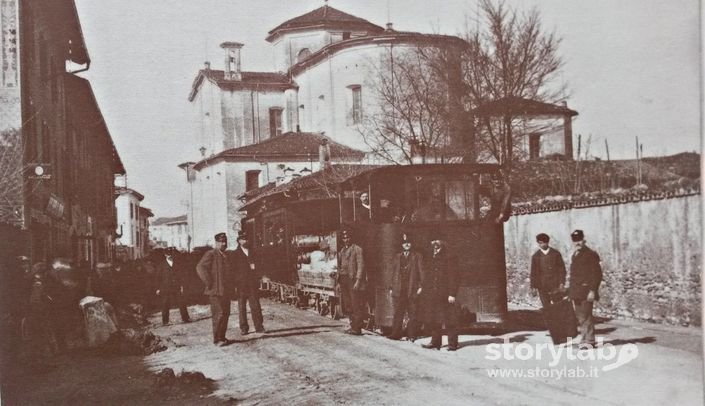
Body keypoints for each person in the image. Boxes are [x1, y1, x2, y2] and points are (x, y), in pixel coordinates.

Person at [420, 234, 459, 351]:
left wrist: (452, 293)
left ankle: (452, 344)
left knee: (450, 319)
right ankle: (435, 342)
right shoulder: (430, 255)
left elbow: (454, 276)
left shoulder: (450, 256)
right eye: (433, 240)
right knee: (433, 318)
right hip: (432, 293)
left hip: (445, 294)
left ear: (442, 241)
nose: (435, 242)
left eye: (437, 240)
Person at [196, 232, 235, 346]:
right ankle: (217, 339)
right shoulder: (211, 254)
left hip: (226, 290)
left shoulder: (226, 255)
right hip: (215, 291)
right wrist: (209, 282)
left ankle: (222, 337)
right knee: (219, 314)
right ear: (216, 243)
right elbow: (200, 267)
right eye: (221, 242)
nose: (223, 244)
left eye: (225, 242)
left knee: (226, 313)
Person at [568, 229, 603, 348]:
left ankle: (590, 341)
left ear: (584, 240)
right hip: (576, 291)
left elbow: (596, 274)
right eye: (575, 240)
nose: (577, 242)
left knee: (586, 315)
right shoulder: (575, 254)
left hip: (586, 290)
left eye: (579, 240)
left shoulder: (590, 254)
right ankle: (584, 339)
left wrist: (593, 290)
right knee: (580, 316)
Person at [388, 233, 423, 341]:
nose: (406, 245)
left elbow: (421, 272)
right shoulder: (397, 257)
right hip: (400, 289)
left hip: (412, 289)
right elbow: (393, 273)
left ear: (411, 244)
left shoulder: (417, 256)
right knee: (398, 312)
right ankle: (396, 334)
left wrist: (421, 286)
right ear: (402, 245)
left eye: (408, 242)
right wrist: (391, 287)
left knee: (413, 313)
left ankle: (412, 335)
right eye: (404, 243)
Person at [232, 231, 267, 335]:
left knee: (255, 305)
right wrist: (235, 283)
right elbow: (233, 270)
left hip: (252, 284)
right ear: (239, 241)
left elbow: (259, 266)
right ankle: (244, 328)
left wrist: (260, 277)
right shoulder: (235, 254)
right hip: (241, 285)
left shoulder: (253, 252)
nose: (245, 241)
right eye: (243, 239)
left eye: (247, 239)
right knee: (242, 307)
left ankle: (259, 326)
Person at [337, 229, 366, 335]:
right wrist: (338, 281)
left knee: (355, 304)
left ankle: (357, 328)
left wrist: (358, 281)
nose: (346, 240)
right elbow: (340, 266)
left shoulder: (357, 249)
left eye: (348, 237)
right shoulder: (342, 251)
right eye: (344, 238)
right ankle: (352, 325)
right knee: (348, 304)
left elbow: (360, 265)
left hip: (352, 279)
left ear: (351, 238)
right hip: (344, 279)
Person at [155, 247, 191, 325]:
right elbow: (158, 277)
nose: (170, 256)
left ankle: (185, 318)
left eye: (170, 254)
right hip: (165, 287)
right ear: (165, 255)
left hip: (176, 286)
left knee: (181, 302)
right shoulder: (161, 265)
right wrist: (158, 288)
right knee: (165, 304)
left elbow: (181, 276)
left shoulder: (177, 264)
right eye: (168, 254)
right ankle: (165, 321)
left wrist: (182, 286)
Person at [530, 233, 567, 308]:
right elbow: (533, 272)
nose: (541, 245)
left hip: (555, 285)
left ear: (547, 242)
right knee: (546, 306)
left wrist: (561, 283)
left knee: (558, 306)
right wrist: (533, 287)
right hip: (542, 286)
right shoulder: (536, 256)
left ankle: (558, 319)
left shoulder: (556, 254)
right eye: (539, 243)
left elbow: (562, 269)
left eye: (543, 243)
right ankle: (549, 319)